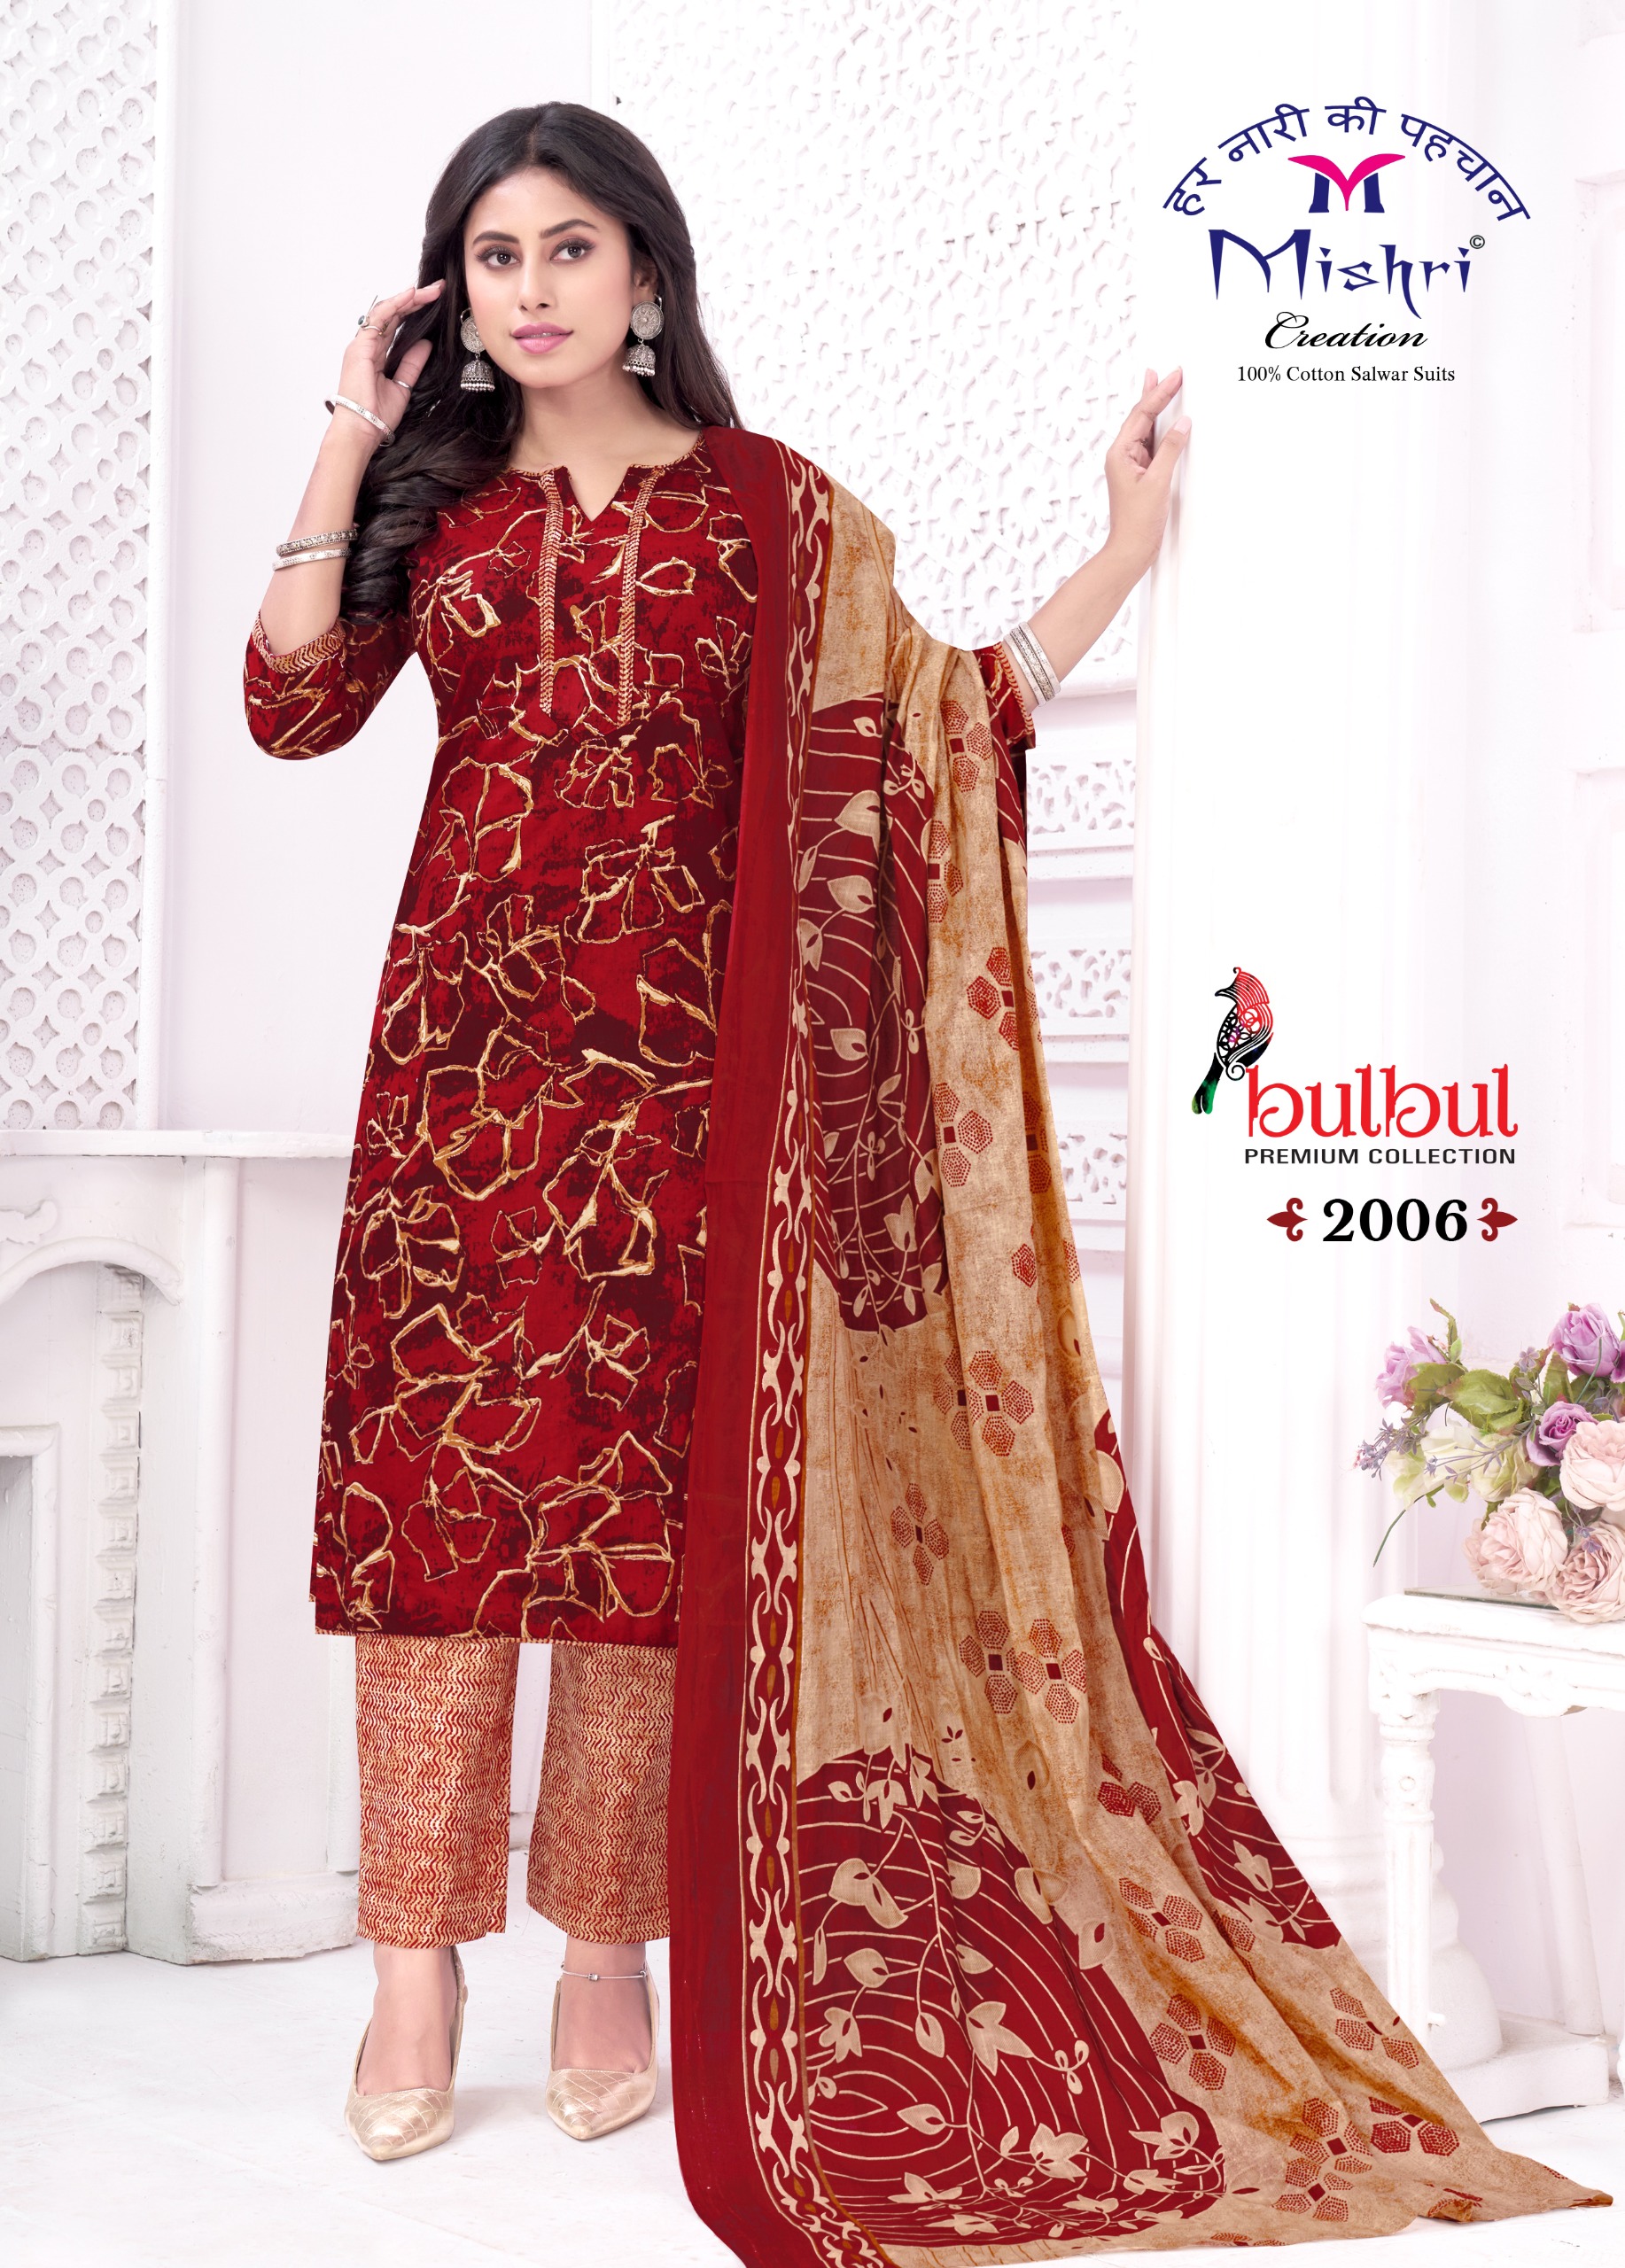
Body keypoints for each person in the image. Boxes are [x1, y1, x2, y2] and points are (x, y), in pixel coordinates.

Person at [245, 101, 1603, 2260]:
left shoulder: (769, 510)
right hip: (459, 1094)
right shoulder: (442, 509)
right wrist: (349, 426)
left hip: (688, 1110)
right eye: (494, 255)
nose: (531, 287)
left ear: (644, 270)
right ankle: (410, 1972)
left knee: (639, 1536)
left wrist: (1118, 555)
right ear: (457, 296)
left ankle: (604, 1957)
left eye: (567, 246)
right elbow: (292, 703)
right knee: (430, 1530)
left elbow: (933, 728)